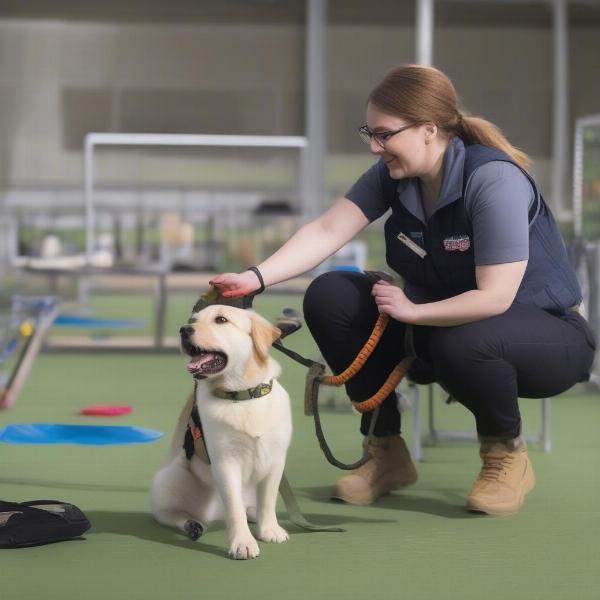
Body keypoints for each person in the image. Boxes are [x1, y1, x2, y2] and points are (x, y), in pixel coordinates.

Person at [210, 64, 596, 516]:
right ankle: (386, 452)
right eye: (369, 133)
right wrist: (255, 278)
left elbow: (494, 298)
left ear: (429, 129)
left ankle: (505, 456)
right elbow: (328, 229)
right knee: (330, 295)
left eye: (385, 134)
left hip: (547, 339)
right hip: (439, 329)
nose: (376, 147)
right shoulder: (394, 174)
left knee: (467, 337)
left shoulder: (493, 179)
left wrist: (411, 312)